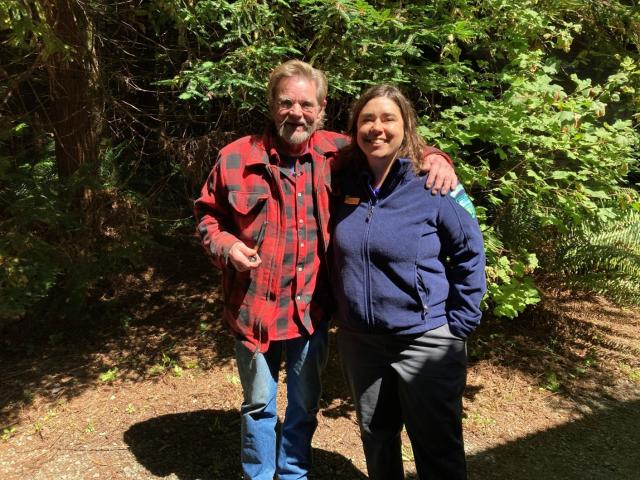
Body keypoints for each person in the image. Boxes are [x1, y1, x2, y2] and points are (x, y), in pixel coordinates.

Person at [194, 61, 457, 480]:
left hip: (309, 311)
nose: (295, 113)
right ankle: (258, 475)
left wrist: (437, 157)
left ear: (321, 108)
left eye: (305, 103)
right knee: (259, 405)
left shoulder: (339, 152)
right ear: (271, 105)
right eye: (286, 103)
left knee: (303, 406)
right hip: (253, 310)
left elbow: (390, 143)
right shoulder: (235, 158)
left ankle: (294, 474)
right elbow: (208, 218)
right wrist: (227, 246)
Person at [330, 84, 486, 480]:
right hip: (361, 342)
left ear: (406, 126)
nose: (376, 128)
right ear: (355, 127)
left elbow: (470, 252)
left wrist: (459, 325)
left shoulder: (433, 183)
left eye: (388, 119)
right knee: (377, 440)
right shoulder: (342, 180)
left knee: (437, 447)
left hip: (426, 339)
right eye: (367, 119)